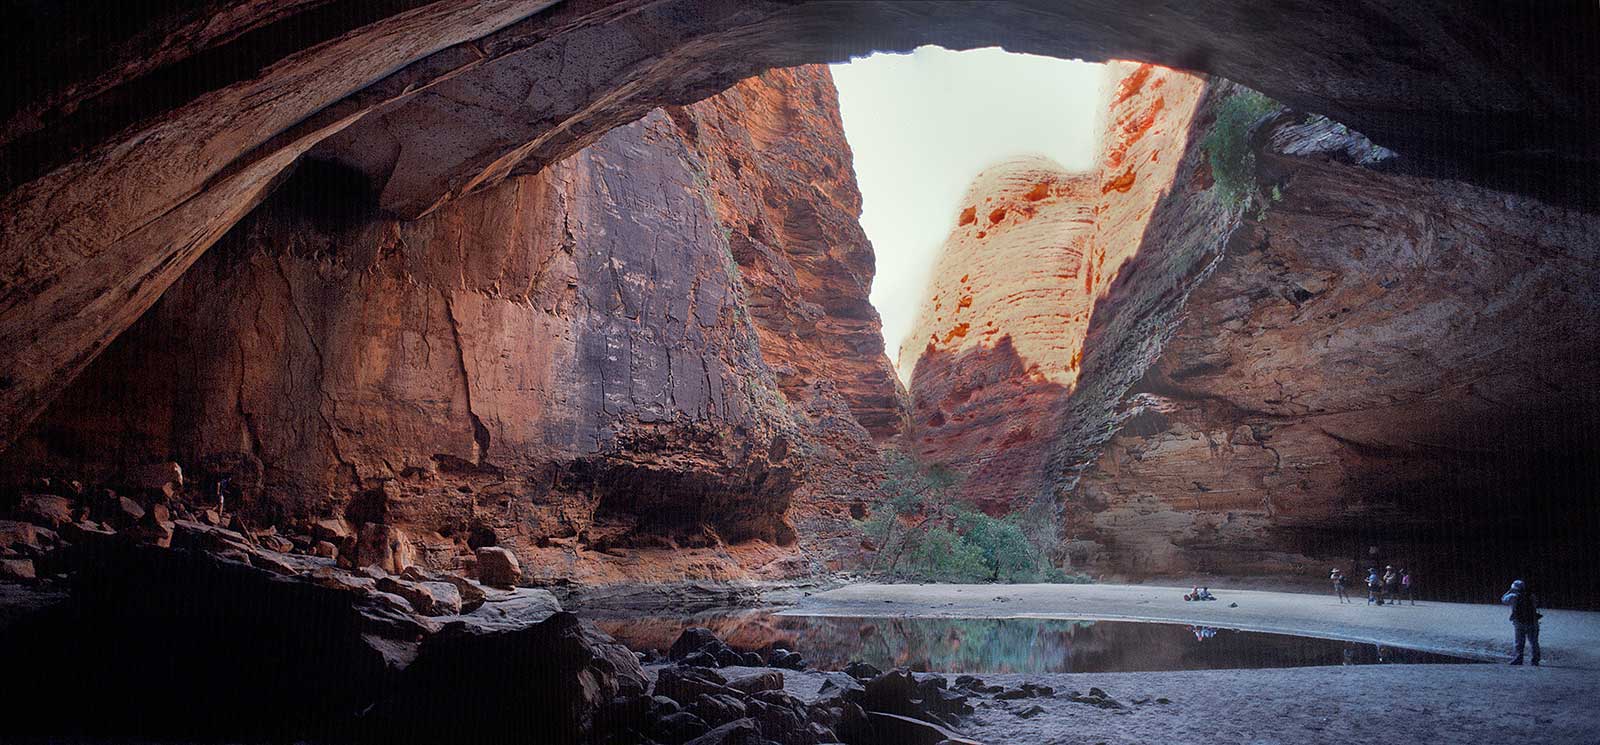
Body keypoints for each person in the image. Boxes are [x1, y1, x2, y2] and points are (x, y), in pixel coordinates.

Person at [1500, 579, 1541, 666]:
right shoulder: (1531, 596)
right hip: (1532, 621)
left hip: (1519, 622)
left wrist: (1509, 591)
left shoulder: (1513, 596)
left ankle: (1518, 659)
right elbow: (1536, 604)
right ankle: (1535, 660)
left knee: (1519, 642)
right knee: (1534, 642)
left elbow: (1503, 599)